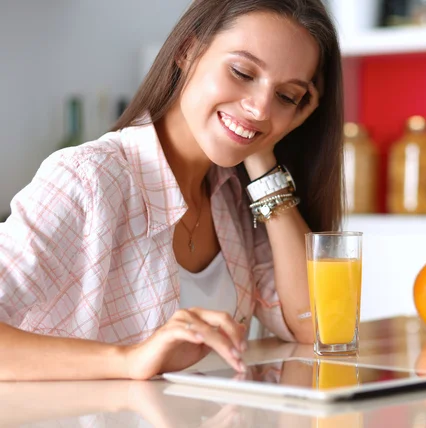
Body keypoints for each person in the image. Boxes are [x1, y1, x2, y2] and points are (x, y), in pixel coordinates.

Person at [0, 0, 343, 381]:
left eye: (286, 97)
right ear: (187, 51)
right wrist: (130, 360)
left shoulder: (233, 196)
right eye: (242, 72)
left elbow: (317, 327)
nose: (260, 109)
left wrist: (262, 155)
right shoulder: (89, 179)